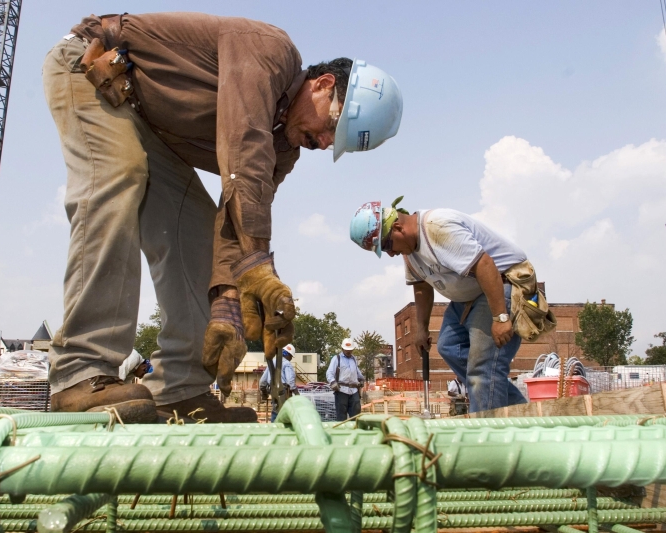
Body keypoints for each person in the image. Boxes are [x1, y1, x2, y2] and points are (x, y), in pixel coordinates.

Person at [43, 12, 403, 423]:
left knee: (197, 227)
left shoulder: (284, 149)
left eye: (333, 143)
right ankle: (81, 372)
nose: (323, 144)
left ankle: (180, 390)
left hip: (144, 118)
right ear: (323, 85)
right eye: (330, 129)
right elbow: (243, 148)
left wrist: (229, 302)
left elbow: (243, 214)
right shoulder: (270, 51)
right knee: (119, 172)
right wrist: (256, 266)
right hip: (94, 68)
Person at [350, 197, 555, 413]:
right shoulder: (409, 252)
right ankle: (520, 412)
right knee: (449, 346)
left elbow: (485, 265)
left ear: (398, 227)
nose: (391, 253)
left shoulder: (437, 228)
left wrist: (500, 317)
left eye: (387, 245)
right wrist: (421, 329)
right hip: (469, 297)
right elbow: (422, 287)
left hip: (500, 285)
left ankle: (487, 433)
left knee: (483, 368)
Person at [326, 338, 364, 420]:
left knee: (356, 416)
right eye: (346, 349)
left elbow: (357, 373)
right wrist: (332, 382)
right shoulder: (336, 359)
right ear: (342, 348)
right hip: (341, 391)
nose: (348, 351)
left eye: (350, 349)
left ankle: (355, 431)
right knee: (341, 417)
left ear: (353, 349)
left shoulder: (354, 359)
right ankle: (342, 432)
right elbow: (329, 373)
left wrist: (361, 379)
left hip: (354, 391)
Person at [258, 344, 297, 422]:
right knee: (285, 413)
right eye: (291, 356)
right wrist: (297, 393)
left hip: (273, 391)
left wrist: (264, 393)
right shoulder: (287, 364)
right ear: (288, 354)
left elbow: (262, 381)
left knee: (275, 411)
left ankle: (274, 428)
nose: (291, 359)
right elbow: (290, 381)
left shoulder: (271, 363)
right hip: (284, 392)